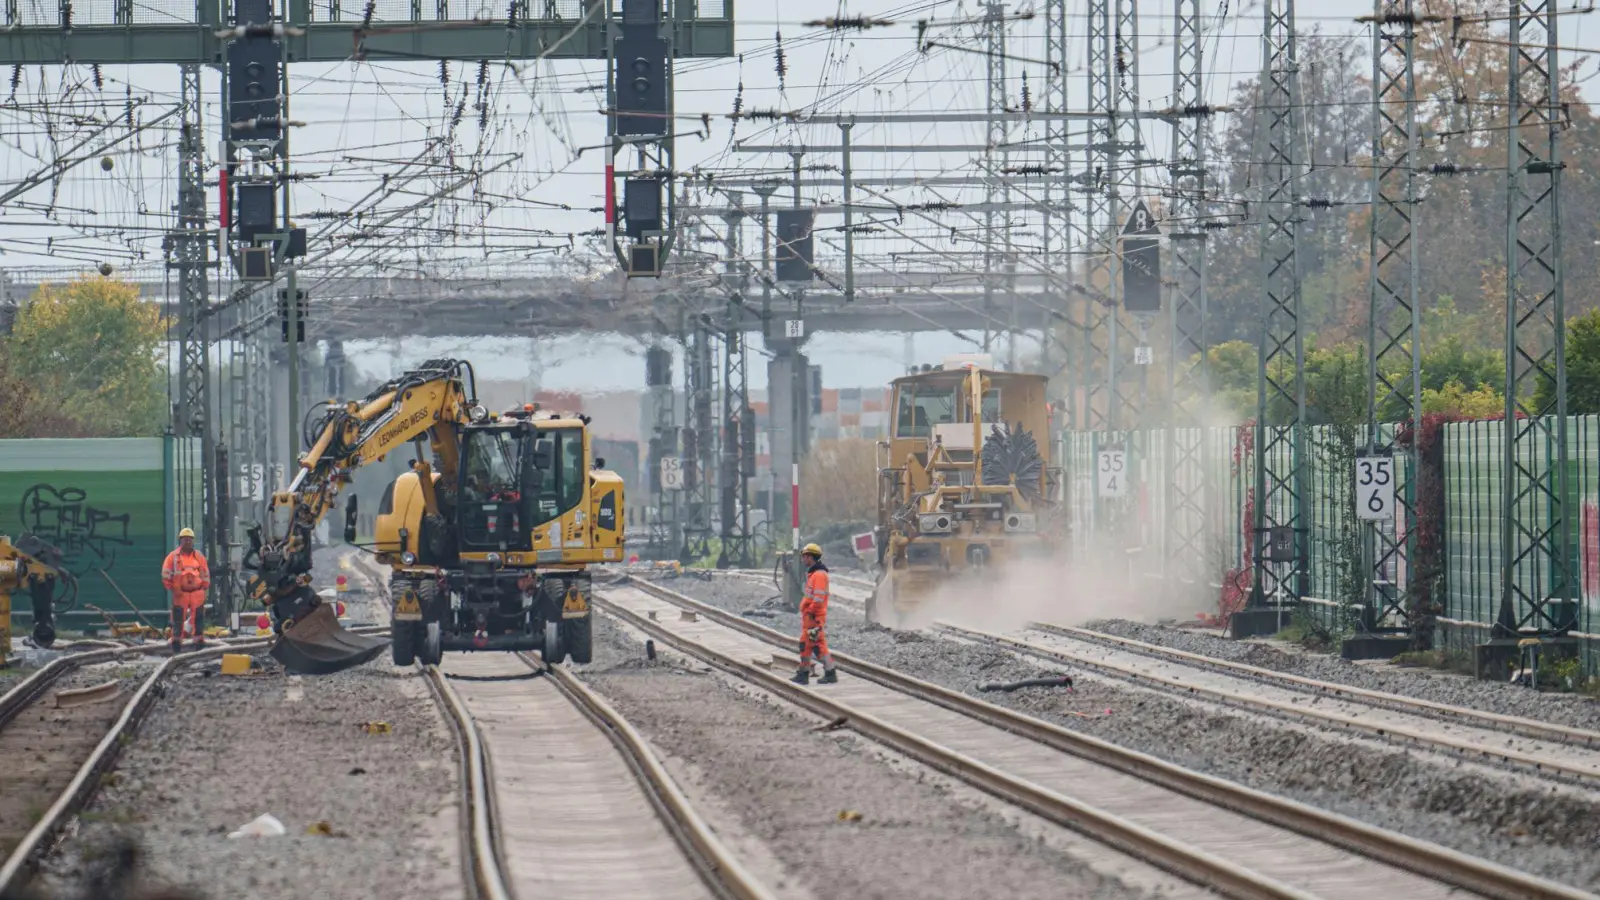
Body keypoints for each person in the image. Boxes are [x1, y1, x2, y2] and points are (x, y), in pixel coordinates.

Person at [791, 542, 838, 685]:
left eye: (804, 557)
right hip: (812, 617)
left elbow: (818, 599)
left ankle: (804, 673)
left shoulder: (818, 575)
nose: (803, 560)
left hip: (814, 617)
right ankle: (829, 672)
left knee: (805, 644)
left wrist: (810, 611)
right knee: (818, 645)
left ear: (811, 557)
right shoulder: (815, 574)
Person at [161, 527, 209, 653]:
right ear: (180, 541)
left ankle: (199, 643)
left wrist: (204, 586)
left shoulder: (199, 557)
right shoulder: (173, 557)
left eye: (189, 539)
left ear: (193, 541)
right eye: (185, 539)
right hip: (180, 592)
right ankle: (176, 644)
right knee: (178, 619)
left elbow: (205, 572)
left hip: (197, 592)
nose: (187, 542)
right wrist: (172, 587)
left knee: (198, 618)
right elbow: (166, 573)